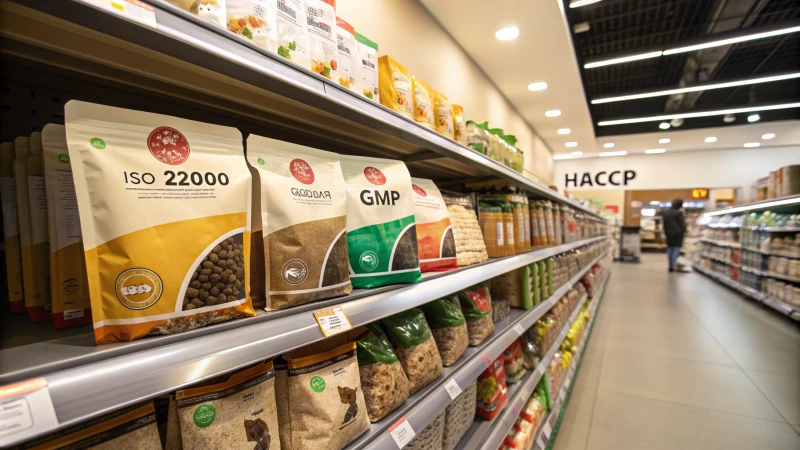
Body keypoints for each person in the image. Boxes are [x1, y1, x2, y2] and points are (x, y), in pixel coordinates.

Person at [662, 198, 687, 272]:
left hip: (669, 234)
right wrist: (684, 230)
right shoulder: (679, 213)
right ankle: (673, 265)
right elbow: (682, 224)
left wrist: (666, 232)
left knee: (670, 248)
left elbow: (664, 224)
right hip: (678, 234)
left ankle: (670, 265)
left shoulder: (666, 213)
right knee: (676, 249)